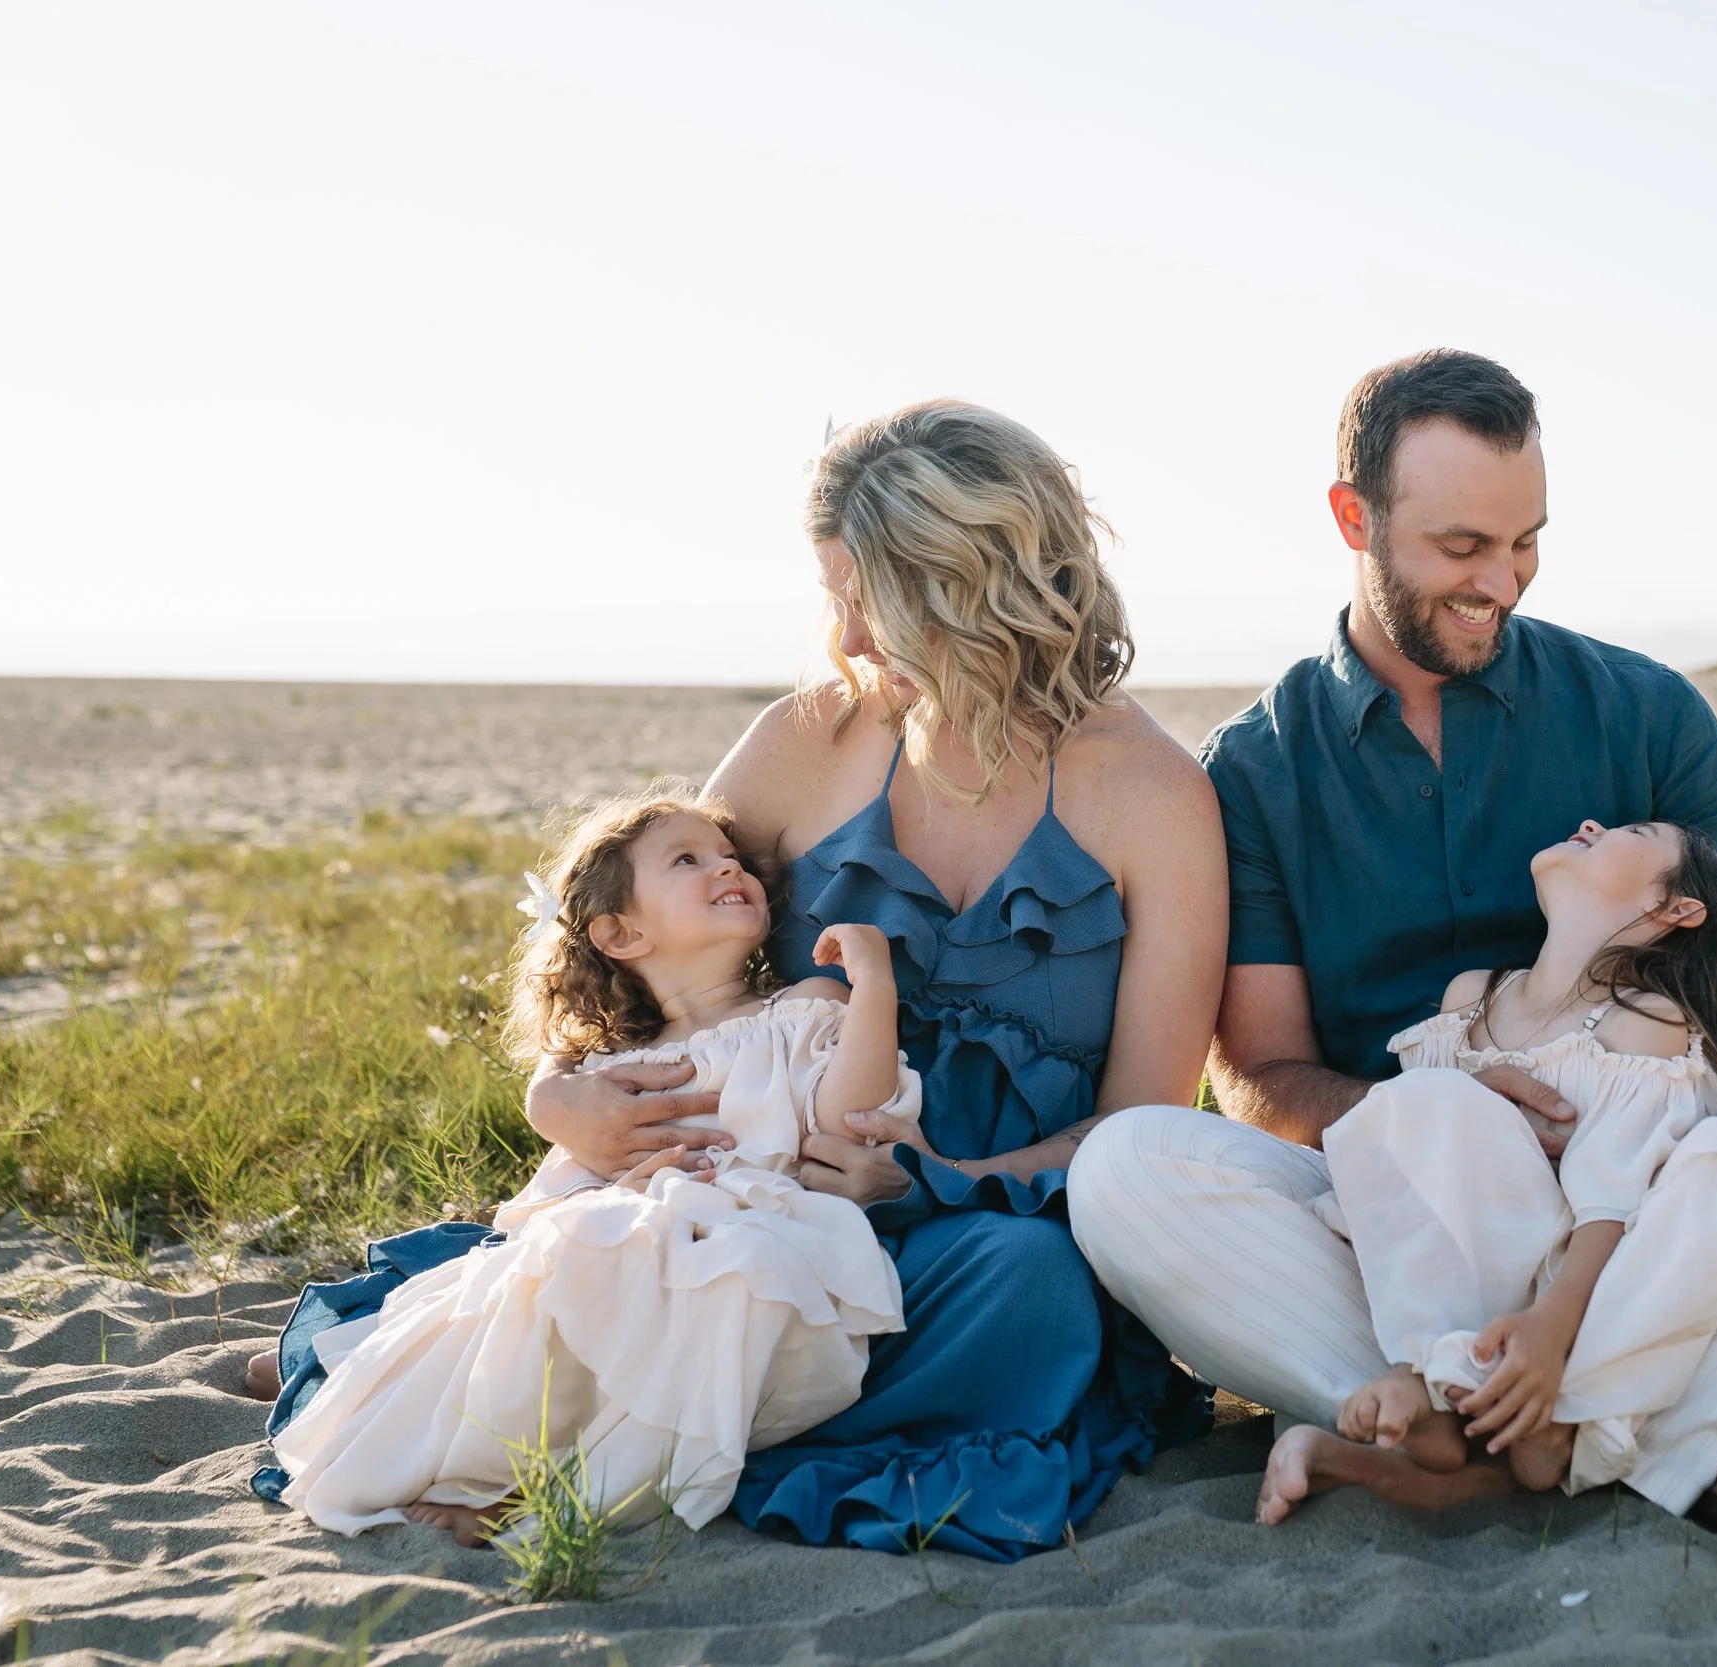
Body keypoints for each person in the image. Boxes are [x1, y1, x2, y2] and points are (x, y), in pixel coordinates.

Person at [1069, 348, 1717, 1535]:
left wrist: (1606, 1160)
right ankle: (1666, 1425)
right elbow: (1257, 1071)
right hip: (1396, 1211)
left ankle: (1477, 1424)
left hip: (1653, 1189)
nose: (1501, 582)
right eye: (1463, 547)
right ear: (1352, 517)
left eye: (1526, 543)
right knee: (1127, 1171)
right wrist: (1448, 1105)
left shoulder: (1648, 710)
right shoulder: (1254, 769)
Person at [516, 401, 1227, 1561]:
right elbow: (637, 946)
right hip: (755, 1207)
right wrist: (558, 1092)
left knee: (1034, 1291)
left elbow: (1145, 1117)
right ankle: (615, 1396)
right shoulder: (809, 741)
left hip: (978, 1235)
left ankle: (655, 1422)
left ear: (975, 583)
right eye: (833, 593)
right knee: (630, 1249)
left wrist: (934, 1178)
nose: (844, 635)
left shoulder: (1151, 795)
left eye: (871, 598)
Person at [262, 790, 913, 1542]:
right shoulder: (615, 1074)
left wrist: (876, 988)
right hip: (630, 1239)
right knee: (552, 1272)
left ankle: (557, 1495)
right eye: (688, 859)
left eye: (732, 857)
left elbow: (849, 1117)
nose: (727, 866)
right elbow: (555, 1202)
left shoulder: (801, 1005)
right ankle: (505, 1471)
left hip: (758, 1230)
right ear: (621, 932)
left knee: (723, 1280)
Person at [1322, 819, 1717, 1529]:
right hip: (1469, 1265)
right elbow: (1413, 1163)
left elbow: (1610, 1199)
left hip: (1581, 1284)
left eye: (1633, 829)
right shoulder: (1470, 999)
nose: (1591, 824)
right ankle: (1450, 1382)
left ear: (1675, 908)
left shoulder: (1645, 1020)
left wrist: (1553, 1323)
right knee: (1418, 1103)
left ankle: (1512, 1404)